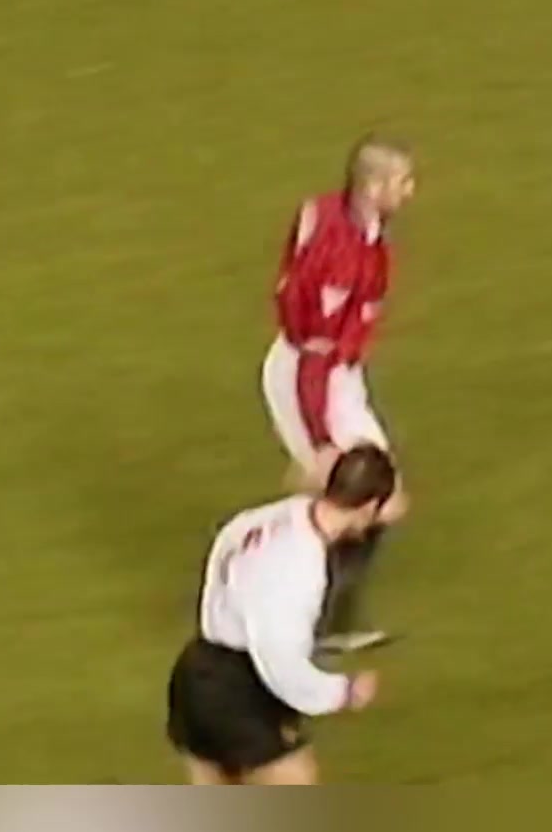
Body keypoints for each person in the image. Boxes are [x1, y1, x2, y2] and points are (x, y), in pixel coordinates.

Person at [261, 137, 416, 651]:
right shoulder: (340, 260)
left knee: (368, 498)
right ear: (372, 187)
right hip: (313, 380)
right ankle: (316, 617)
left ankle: (322, 614)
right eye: (402, 182)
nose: (410, 192)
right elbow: (314, 354)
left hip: (338, 376)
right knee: (368, 498)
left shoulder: (330, 213)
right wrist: (322, 441)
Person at [167, 444, 397, 785]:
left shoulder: (272, 516)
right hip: (239, 687)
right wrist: (343, 691)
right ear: (369, 507)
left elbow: (221, 554)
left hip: (197, 669)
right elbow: (281, 662)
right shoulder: (303, 567)